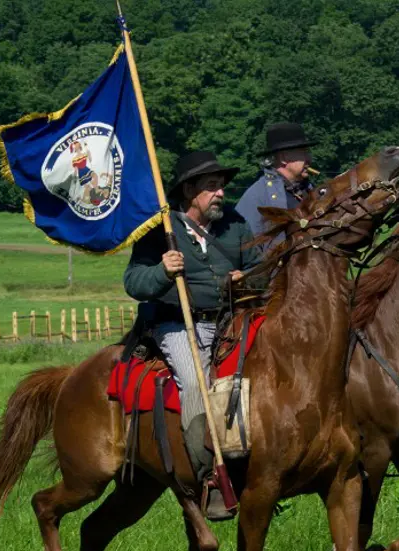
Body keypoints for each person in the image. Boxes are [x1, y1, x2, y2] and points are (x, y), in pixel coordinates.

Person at [124, 151, 260, 520]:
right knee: (197, 384)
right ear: (189, 191)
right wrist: (163, 272)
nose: (221, 194)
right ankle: (210, 478)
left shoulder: (234, 223)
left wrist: (246, 279)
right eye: (211, 187)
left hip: (231, 320)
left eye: (222, 187)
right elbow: (134, 282)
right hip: (176, 324)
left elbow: (261, 266)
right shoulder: (159, 228)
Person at [236, 122, 315, 242]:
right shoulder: (256, 196)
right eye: (304, 152)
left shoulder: (309, 189)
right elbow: (249, 251)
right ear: (284, 158)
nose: (309, 159)